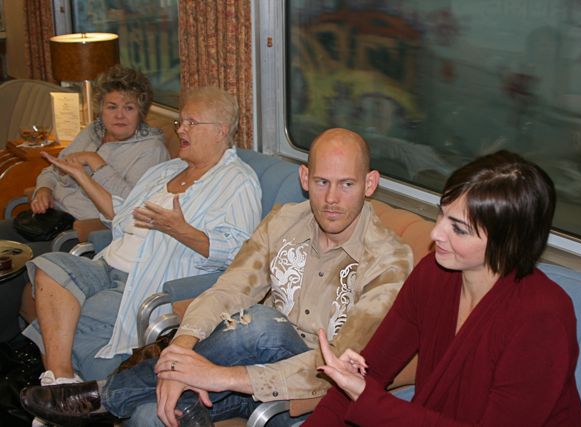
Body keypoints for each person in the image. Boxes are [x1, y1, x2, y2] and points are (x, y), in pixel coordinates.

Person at [18, 128, 414, 427]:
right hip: (250, 367)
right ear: (305, 178)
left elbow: (340, 369)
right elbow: (230, 288)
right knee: (150, 413)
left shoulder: (389, 260)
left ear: (370, 183)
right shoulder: (283, 221)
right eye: (322, 182)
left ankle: (102, 397)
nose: (331, 200)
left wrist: (216, 375)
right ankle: (151, 397)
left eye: (347, 185)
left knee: (260, 322)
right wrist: (181, 350)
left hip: (309, 389)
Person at [304, 150, 581, 426]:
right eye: (441, 214)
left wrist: (368, 398)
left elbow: (364, 393)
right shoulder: (434, 275)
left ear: (507, 242)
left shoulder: (542, 318)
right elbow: (369, 371)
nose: (436, 233)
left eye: (459, 229)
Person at [20, 85, 262, 388]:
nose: (180, 129)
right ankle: (62, 382)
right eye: (180, 121)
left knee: (72, 318)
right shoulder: (167, 170)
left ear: (220, 130)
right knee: (50, 267)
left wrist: (181, 230)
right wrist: (82, 176)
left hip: (143, 280)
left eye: (191, 122)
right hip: (106, 264)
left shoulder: (237, 181)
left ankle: (63, 387)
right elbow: (122, 214)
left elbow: (240, 252)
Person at [0, 65, 169, 341]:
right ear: (100, 108)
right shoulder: (91, 132)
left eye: (128, 108)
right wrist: (44, 189)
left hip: (77, 231)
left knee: (12, 268)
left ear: (141, 111)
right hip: (47, 216)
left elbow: (131, 205)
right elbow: (53, 168)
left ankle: (11, 344)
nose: (119, 115)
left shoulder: (151, 150)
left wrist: (96, 163)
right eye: (112, 106)